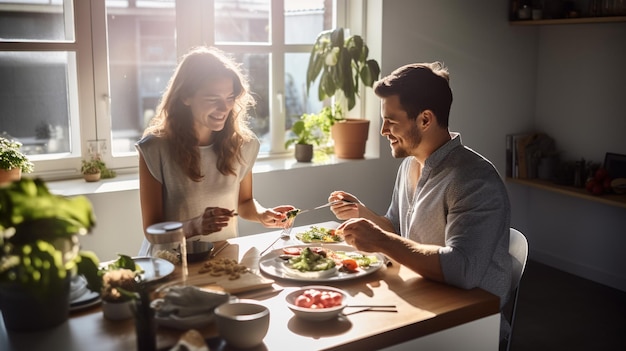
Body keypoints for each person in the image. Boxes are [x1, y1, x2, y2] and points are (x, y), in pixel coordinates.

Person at [328, 62, 513, 343]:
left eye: (391, 120)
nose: (383, 130)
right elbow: (396, 228)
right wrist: (361, 212)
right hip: (422, 295)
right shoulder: (410, 164)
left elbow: (462, 270)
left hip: (470, 323)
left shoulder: (475, 180)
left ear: (425, 120)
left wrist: (380, 240)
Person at [136, 46, 294, 256]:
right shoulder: (154, 148)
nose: (224, 108)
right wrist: (194, 226)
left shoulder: (242, 145)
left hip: (221, 259)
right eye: (213, 99)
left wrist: (263, 215)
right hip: (170, 263)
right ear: (185, 96)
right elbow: (151, 231)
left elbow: (244, 203)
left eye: (230, 98)